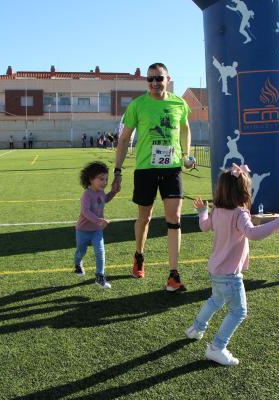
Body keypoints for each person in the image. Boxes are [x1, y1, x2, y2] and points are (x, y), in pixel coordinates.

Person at [185, 164, 279, 366]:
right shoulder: (240, 213)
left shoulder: (217, 211)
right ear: (243, 191)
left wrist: (202, 211)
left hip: (215, 271)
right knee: (239, 312)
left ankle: (196, 328)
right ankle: (217, 347)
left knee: (215, 300)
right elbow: (252, 233)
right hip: (230, 276)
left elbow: (203, 226)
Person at [111, 62, 195, 292]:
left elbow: (185, 128)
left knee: (174, 219)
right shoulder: (138, 105)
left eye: (159, 78)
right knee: (145, 218)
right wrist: (117, 170)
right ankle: (139, 255)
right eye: (150, 79)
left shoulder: (179, 103)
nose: (155, 83)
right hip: (146, 169)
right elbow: (124, 139)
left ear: (168, 79)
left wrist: (187, 153)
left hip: (172, 168)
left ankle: (173, 274)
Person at [74, 161, 117, 289]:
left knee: (100, 251)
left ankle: (99, 276)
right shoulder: (86, 194)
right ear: (91, 179)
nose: (104, 182)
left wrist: (113, 192)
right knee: (81, 251)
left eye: (106, 179)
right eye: (101, 179)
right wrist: (99, 220)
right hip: (83, 230)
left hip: (97, 230)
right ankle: (77, 264)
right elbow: (85, 211)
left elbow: (105, 199)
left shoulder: (101, 192)